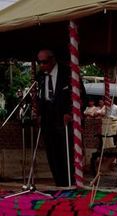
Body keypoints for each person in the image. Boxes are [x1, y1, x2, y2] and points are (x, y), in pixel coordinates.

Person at [36, 49, 85, 187]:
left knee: (66, 152)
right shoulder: (41, 75)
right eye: (39, 62)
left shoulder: (68, 73)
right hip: (48, 118)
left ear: (52, 59)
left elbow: (82, 97)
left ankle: (71, 182)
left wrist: (71, 112)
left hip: (64, 118)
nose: (41, 65)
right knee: (52, 153)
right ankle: (59, 183)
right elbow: (39, 96)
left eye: (44, 62)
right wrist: (39, 113)